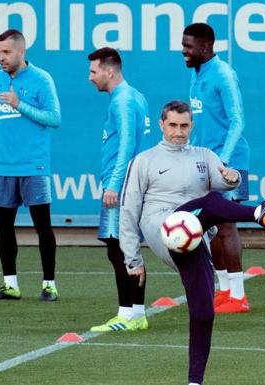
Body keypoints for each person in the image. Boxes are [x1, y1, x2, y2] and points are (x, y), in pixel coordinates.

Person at [120, 101, 265, 385]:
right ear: (161, 125)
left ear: (192, 126)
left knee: (203, 312)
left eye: (184, 126)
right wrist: (132, 259)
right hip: (163, 227)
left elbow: (225, 181)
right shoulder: (144, 160)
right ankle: (258, 213)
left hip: (193, 235)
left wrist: (233, 178)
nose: (178, 132)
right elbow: (128, 210)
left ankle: (194, 381)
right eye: (172, 125)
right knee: (211, 202)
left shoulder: (204, 155)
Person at [0, 29, 61, 301]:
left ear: (21, 52)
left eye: (7, 52)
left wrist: (19, 104)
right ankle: (10, 285)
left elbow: (54, 118)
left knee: (42, 227)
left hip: (34, 165)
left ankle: (49, 285)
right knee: (3, 226)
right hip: (4, 167)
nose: (1, 57)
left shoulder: (41, 79)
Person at [181, 23, 253, 313]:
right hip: (206, 161)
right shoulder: (196, 75)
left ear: (206, 47)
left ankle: (238, 295)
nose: (183, 51)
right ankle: (224, 291)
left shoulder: (223, 75)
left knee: (226, 225)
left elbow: (238, 120)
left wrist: (222, 160)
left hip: (231, 161)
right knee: (210, 227)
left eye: (188, 46)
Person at [87, 47, 152, 331]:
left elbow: (126, 143)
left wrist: (114, 184)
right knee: (127, 248)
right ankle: (137, 314)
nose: (90, 77)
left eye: (93, 71)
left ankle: (126, 314)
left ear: (108, 71)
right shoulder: (135, 95)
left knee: (119, 249)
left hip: (123, 186)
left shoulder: (122, 101)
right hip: (133, 183)